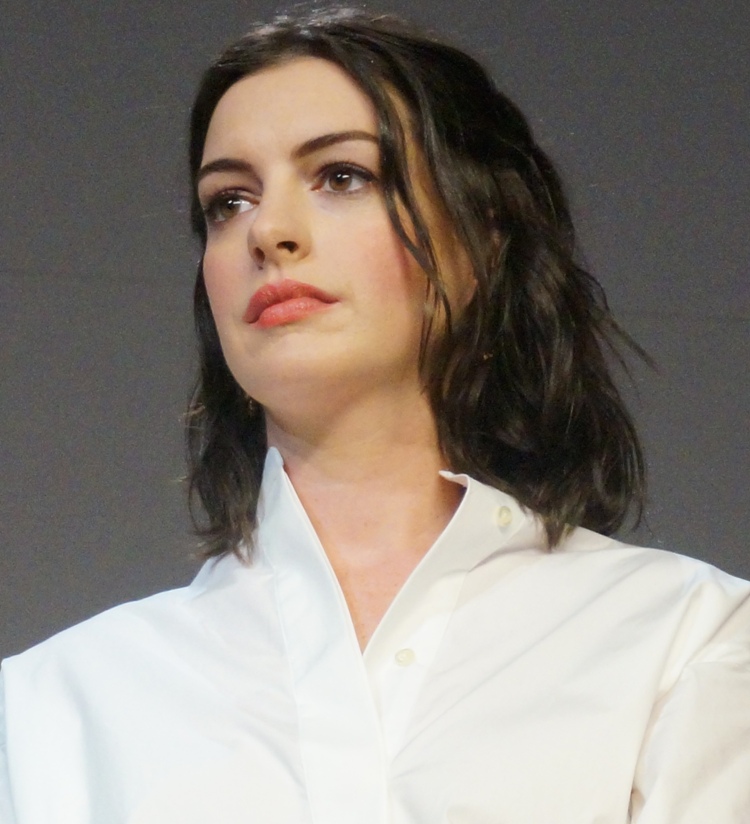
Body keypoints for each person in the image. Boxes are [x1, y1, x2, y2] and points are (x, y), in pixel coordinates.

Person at [1, 8, 749, 823]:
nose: (271, 231)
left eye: (342, 176)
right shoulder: (52, 710)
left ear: (482, 236)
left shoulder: (680, 645)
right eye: (229, 201)